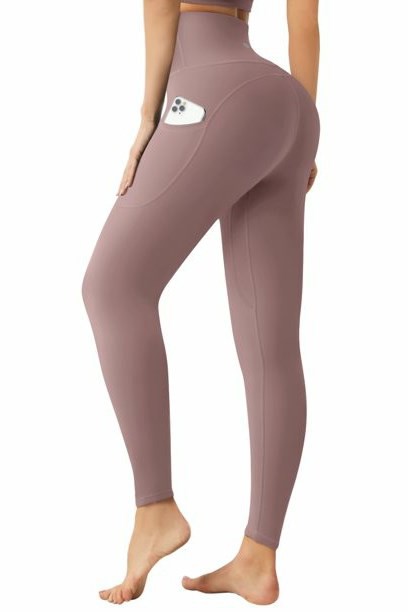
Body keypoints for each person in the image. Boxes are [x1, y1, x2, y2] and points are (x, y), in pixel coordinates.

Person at [81, 0, 320, 605]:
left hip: (213, 90)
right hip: (288, 106)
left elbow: (162, 6)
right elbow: (305, 22)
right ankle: (258, 558)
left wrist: (149, 118)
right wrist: (306, 129)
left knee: (113, 287)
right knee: (270, 346)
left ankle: (155, 508)